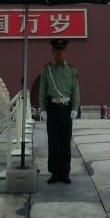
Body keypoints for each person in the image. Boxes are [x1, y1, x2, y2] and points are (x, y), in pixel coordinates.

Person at [39, 38, 80, 184]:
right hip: (52, 109)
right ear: (52, 52)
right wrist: (42, 109)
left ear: (65, 52)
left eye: (61, 50)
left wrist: (75, 108)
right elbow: (42, 91)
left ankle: (65, 173)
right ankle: (54, 173)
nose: (59, 53)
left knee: (65, 142)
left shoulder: (72, 70)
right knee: (53, 142)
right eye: (56, 50)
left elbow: (75, 91)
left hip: (66, 109)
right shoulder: (46, 70)